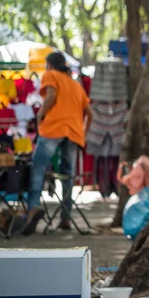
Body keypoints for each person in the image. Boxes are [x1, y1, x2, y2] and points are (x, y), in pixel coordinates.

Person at [24, 52, 93, 234]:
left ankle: (33, 208)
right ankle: (66, 218)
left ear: (49, 65)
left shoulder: (50, 75)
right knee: (67, 175)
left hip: (53, 129)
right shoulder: (76, 85)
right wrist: (83, 134)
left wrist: (40, 115)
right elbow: (90, 113)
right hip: (73, 134)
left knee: (38, 167)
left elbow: (51, 95)